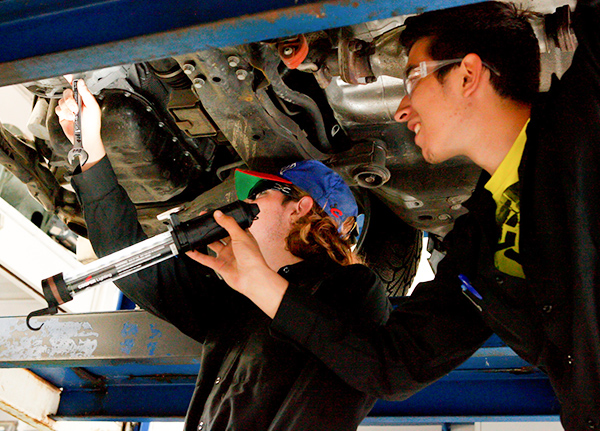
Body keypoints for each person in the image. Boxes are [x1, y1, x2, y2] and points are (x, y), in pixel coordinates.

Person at [190, 2, 599, 430]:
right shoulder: (478, 245)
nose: (401, 109)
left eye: (412, 79)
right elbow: (392, 365)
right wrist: (261, 284)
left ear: (467, 74)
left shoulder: (587, 118)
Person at [55, 80, 392, 430]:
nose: (246, 202)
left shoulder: (353, 292)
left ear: (300, 208)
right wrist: (89, 145)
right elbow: (127, 261)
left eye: (260, 192)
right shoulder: (232, 299)